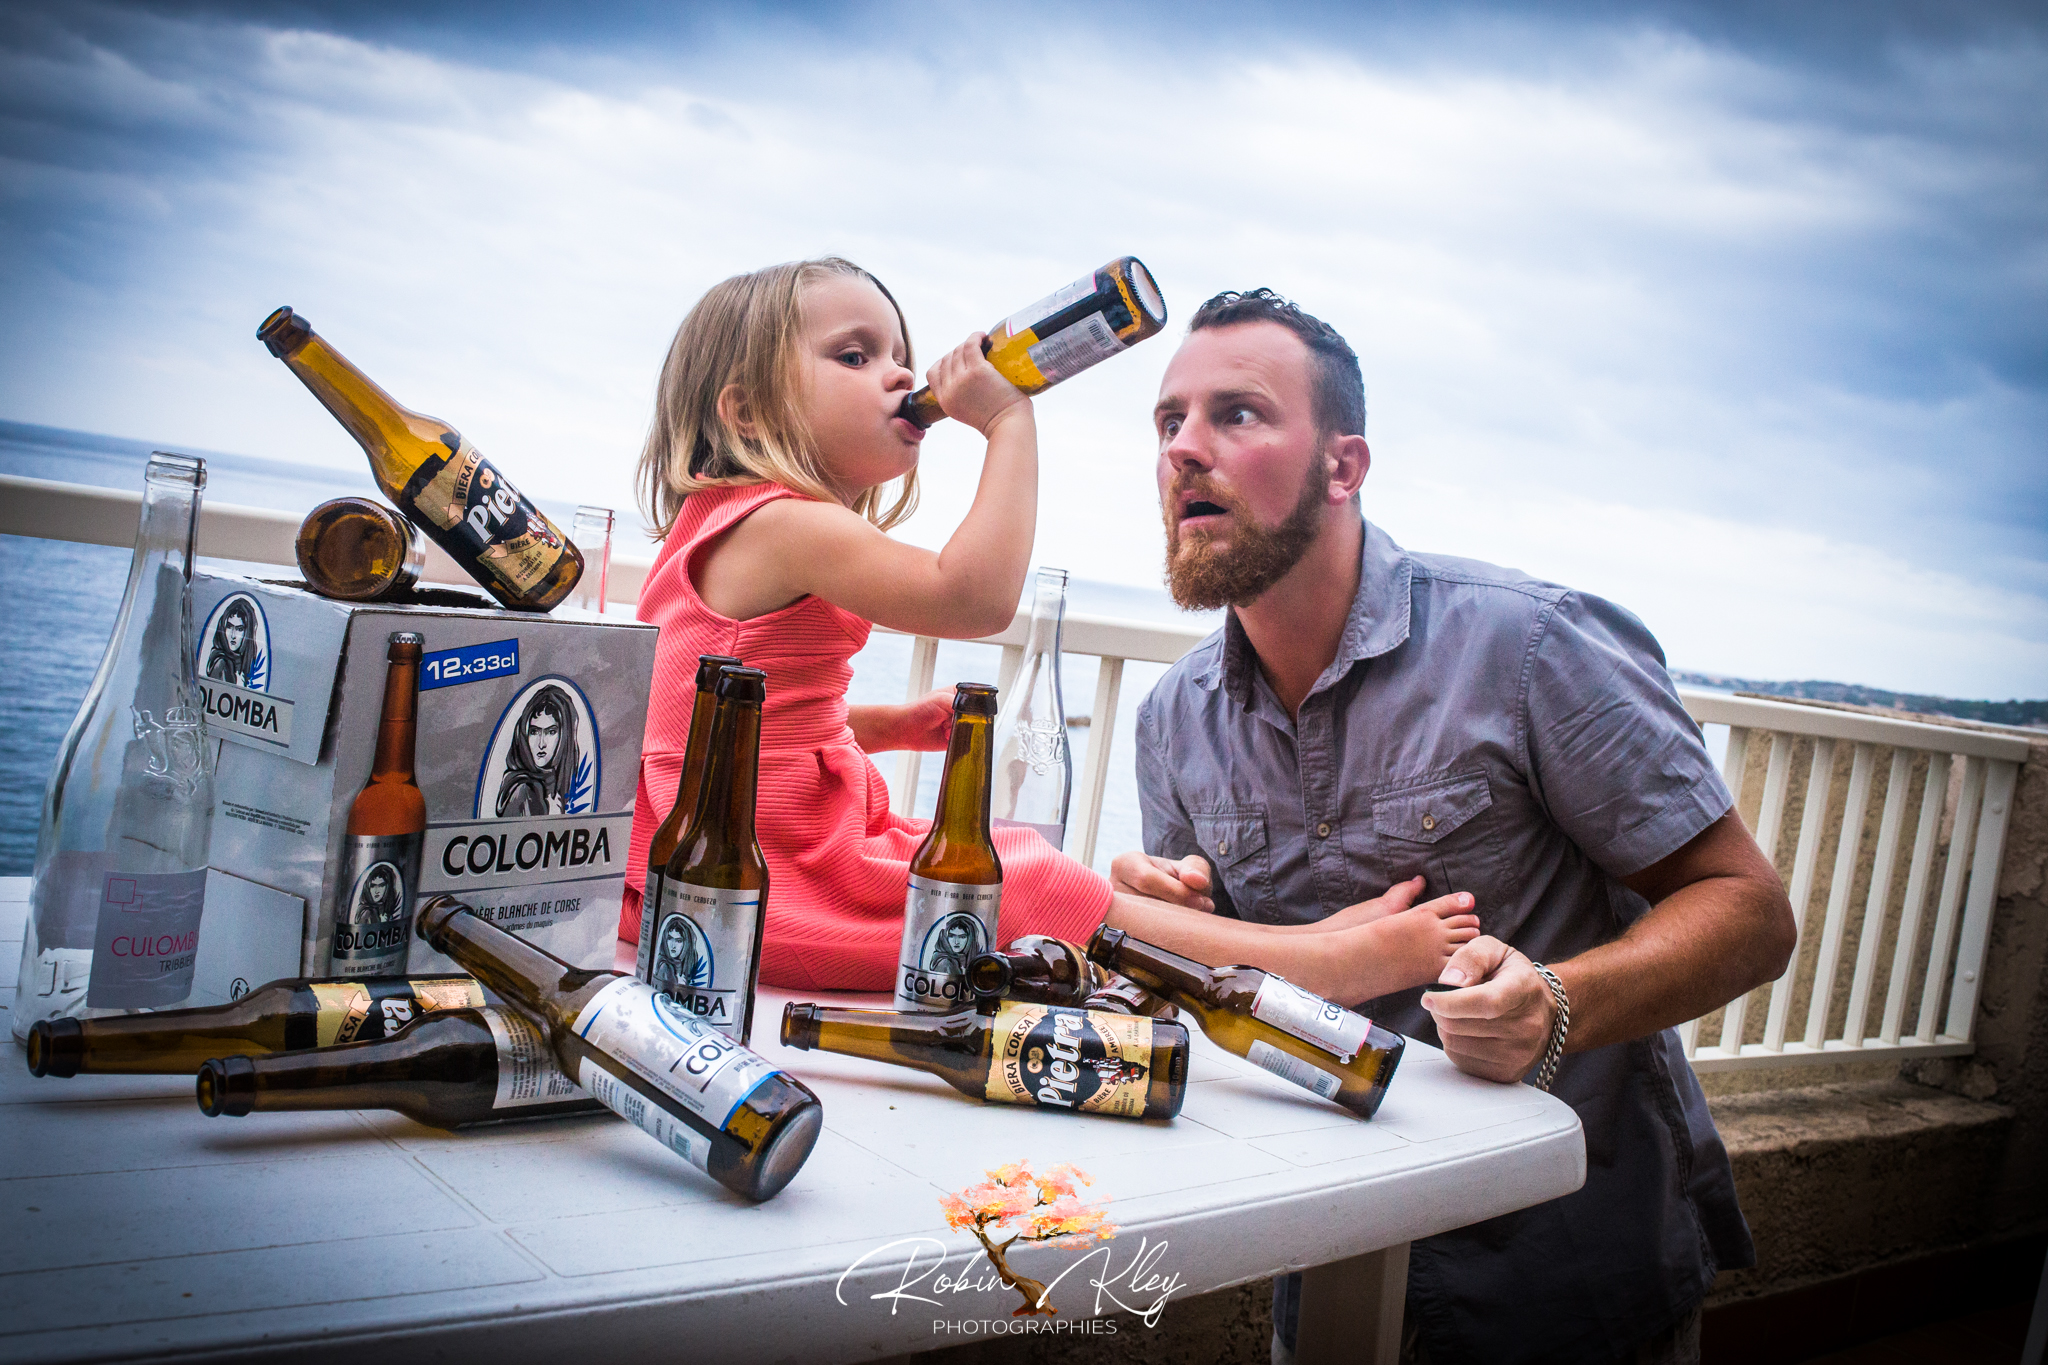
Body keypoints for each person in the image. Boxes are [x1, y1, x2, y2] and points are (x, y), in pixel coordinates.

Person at [1114, 289, 1797, 1365]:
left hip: (1567, 1277)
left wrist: (1557, 1005)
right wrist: (1170, 924)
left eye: (1236, 414)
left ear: (1343, 466)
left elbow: (1750, 912)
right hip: (1326, 1257)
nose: (1183, 449)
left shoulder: (1532, 646)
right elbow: (1226, 996)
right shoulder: (1173, 718)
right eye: (1169, 421)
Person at [624, 257, 1481, 994]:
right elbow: (974, 599)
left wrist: (887, 724)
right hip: (757, 872)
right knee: (1018, 882)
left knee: (1001, 852)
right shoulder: (785, 525)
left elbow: (714, 717)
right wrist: (1007, 419)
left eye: (898, 354)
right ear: (745, 413)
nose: (896, 375)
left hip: (748, 840)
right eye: (855, 356)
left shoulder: (726, 527)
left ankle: (1286, 944)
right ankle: (1309, 965)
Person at [496, 685, 582, 818]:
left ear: (565, 736)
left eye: (551, 732)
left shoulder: (553, 785)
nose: (541, 744)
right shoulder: (523, 790)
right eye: (534, 732)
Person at [205, 597, 259, 687]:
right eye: (229, 627)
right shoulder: (222, 663)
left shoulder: (243, 664)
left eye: (239, 629)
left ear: (248, 633)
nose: (233, 635)